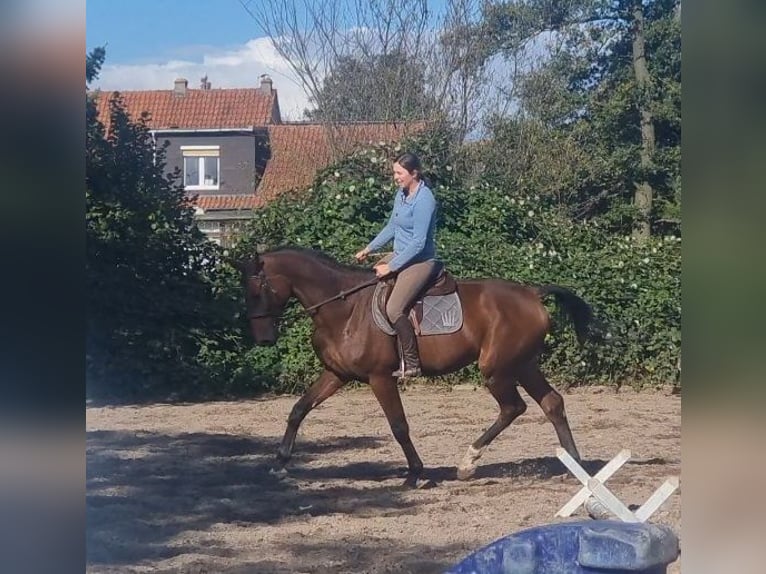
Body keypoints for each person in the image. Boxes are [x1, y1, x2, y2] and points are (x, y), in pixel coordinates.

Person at [355, 152, 439, 378]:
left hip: (420, 261)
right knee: (367, 283)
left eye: (399, 173)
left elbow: (419, 243)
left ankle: (412, 362)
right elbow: (392, 227)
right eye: (394, 172)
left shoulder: (425, 200)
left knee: (393, 308)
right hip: (399, 255)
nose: (395, 177)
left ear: (414, 173)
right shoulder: (401, 195)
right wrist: (369, 248)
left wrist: (391, 267)